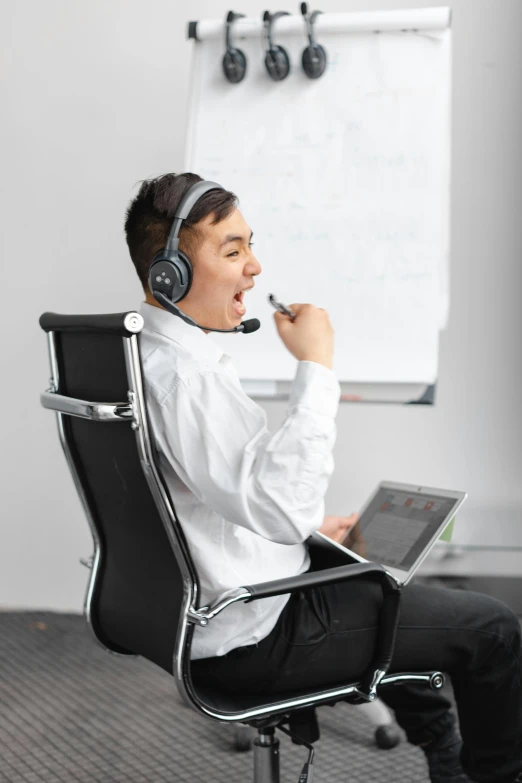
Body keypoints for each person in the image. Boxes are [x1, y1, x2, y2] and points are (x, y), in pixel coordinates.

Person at [124, 172, 522, 783]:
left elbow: (221, 500)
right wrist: (316, 366)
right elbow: (279, 509)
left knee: (369, 576)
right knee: (494, 629)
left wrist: (307, 529)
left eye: (250, 244)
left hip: (210, 609)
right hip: (252, 636)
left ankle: (442, 746)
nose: (255, 267)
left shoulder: (145, 359)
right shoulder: (187, 381)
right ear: (168, 273)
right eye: (232, 250)